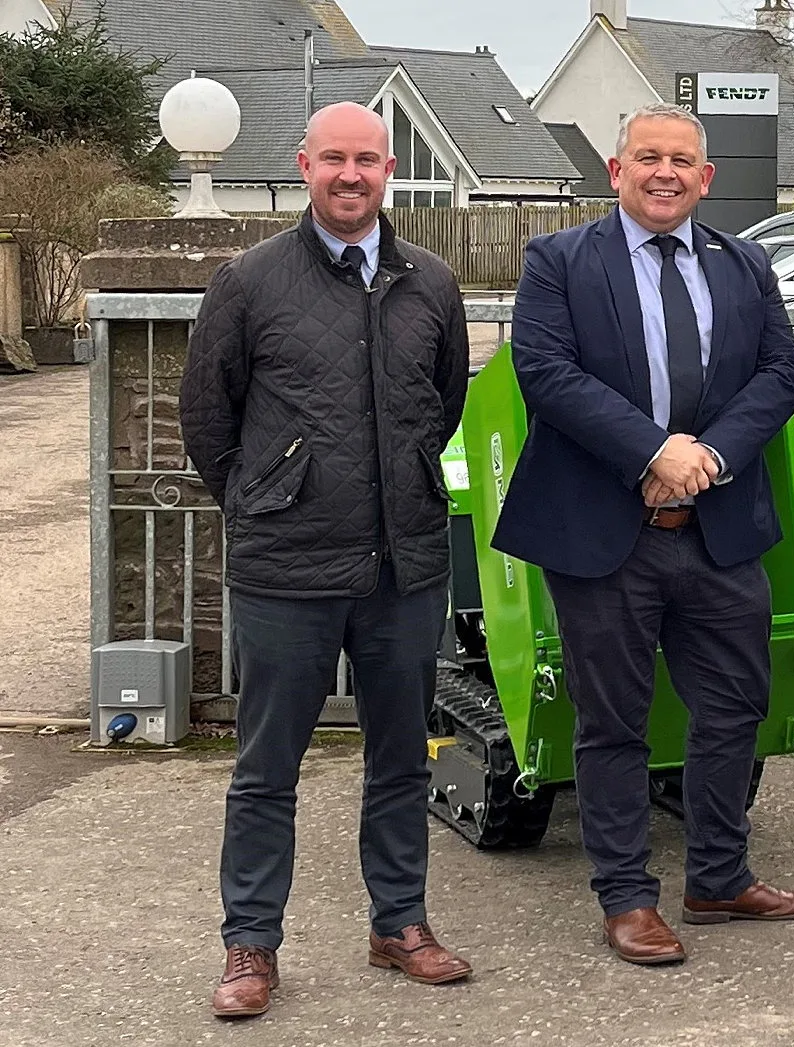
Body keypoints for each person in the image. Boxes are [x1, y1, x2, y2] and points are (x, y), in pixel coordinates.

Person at [488, 103, 794, 966]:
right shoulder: (558, 260)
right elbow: (546, 372)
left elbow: (783, 372)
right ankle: (626, 896)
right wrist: (652, 451)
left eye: (682, 160)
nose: (664, 172)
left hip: (716, 528)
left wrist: (707, 454)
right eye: (648, 157)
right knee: (613, 722)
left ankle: (718, 875)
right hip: (607, 531)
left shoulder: (743, 263)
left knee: (734, 706)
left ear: (705, 178)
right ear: (617, 169)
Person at [182, 101, 473, 1019]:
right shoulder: (249, 280)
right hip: (287, 569)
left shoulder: (432, 282)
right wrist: (263, 496)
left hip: (406, 566)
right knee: (267, 768)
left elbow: (445, 403)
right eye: (334, 160)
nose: (352, 176)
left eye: (369, 161)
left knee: (400, 758)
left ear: (391, 172)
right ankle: (250, 946)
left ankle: (400, 923)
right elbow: (207, 417)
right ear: (305, 165)